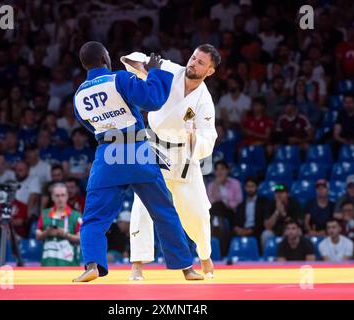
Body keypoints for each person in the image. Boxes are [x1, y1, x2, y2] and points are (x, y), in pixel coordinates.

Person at [72, 41, 198, 282]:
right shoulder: (118, 79)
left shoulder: (79, 95)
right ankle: (186, 268)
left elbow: (89, 125)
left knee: (94, 218)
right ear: (105, 59)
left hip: (107, 154)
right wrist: (155, 71)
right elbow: (152, 100)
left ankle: (91, 265)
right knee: (163, 211)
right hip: (136, 150)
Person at [122, 44, 219, 280]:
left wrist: (194, 137)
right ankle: (137, 264)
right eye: (193, 57)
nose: (193, 63)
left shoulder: (204, 101)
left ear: (210, 71)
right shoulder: (169, 70)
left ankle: (205, 255)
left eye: (200, 63)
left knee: (197, 214)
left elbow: (209, 137)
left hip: (184, 157)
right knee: (143, 204)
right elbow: (131, 59)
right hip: (154, 147)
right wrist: (142, 67)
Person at [36, 183, 81, 266]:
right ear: (52, 197)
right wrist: (47, 232)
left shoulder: (76, 216)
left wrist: (65, 234)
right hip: (48, 263)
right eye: (57, 195)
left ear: (67, 196)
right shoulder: (44, 214)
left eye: (63, 195)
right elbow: (37, 235)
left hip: (69, 264)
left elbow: (81, 238)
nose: (60, 199)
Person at [207, 160, 243, 256]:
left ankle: (216, 225)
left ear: (227, 170)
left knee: (219, 208)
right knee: (217, 207)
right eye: (217, 169)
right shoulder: (211, 186)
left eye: (222, 169)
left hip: (231, 213)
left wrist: (227, 203)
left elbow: (239, 201)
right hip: (216, 212)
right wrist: (216, 185)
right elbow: (210, 202)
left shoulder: (235, 183)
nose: (219, 172)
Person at [261, 184, 304, 248]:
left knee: (298, 232)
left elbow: (300, 222)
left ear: (288, 194)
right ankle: (268, 255)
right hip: (275, 231)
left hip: (290, 229)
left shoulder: (294, 203)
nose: (279, 195)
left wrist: (284, 215)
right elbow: (267, 226)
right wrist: (277, 212)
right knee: (266, 234)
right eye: (277, 193)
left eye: (282, 192)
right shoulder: (270, 204)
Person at [234, 177, 268, 252]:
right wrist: (238, 229)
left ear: (256, 187)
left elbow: (262, 221)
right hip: (242, 230)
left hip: (257, 231)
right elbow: (236, 221)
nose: (250, 189)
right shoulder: (241, 205)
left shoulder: (264, 203)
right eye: (248, 186)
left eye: (252, 186)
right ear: (245, 188)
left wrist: (250, 231)